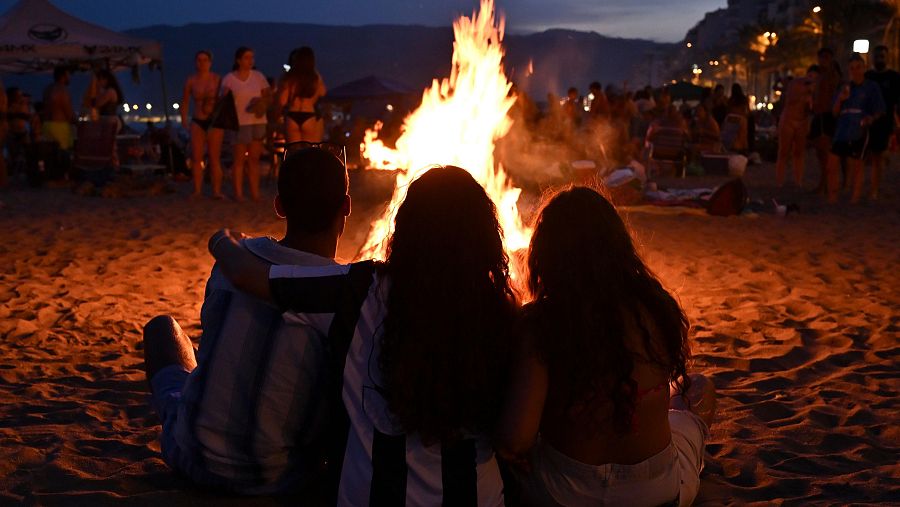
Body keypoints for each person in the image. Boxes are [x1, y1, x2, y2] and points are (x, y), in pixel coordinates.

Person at [208, 166, 516, 505]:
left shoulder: (358, 290)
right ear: (484, 235)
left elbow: (245, 275)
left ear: (406, 228)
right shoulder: (504, 314)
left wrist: (221, 238)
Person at [143, 147, 351, 495]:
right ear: (345, 206)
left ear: (279, 206)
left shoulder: (234, 264)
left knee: (161, 329)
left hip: (190, 453)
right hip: (278, 477)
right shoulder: (343, 290)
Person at [496, 186, 715, 507]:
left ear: (547, 253)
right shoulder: (656, 307)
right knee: (699, 387)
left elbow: (516, 439)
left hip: (563, 496)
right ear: (618, 246)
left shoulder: (541, 324)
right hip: (657, 495)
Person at [827, 53, 885, 204]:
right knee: (832, 162)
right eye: (852, 68)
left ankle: (855, 197)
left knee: (857, 163)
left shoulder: (871, 87)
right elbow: (834, 112)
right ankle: (833, 196)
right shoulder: (844, 87)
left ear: (864, 68)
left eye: (858, 67)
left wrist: (870, 118)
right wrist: (841, 99)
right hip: (842, 128)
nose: (855, 71)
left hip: (859, 128)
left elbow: (879, 109)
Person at [220, 47, 271, 201]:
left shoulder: (258, 76)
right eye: (247, 57)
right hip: (240, 122)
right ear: (238, 60)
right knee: (239, 159)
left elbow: (268, 95)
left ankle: (255, 193)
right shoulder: (229, 78)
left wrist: (261, 101)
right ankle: (239, 193)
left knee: (254, 159)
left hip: (257, 120)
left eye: (252, 58)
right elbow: (223, 99)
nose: (251, 61)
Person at [181, 50, 224, 198]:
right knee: (196, 157)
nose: (202, 63)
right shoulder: (191, 80)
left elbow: (222, 101)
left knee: (214, 157)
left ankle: (216, 191)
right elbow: (185, 100)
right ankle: (197, 190)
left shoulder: (217, 79)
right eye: (199, 60)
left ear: (210, 62)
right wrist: (183, 119)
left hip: (213, 121)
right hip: (197, 120)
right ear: (195, 62)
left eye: (205, 60)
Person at [865, 45, 900, 200]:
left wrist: (896, 121)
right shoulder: (868, 76)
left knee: (878, 156)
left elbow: (898, 102)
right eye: (877, 56)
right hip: (869, 120)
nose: (880, 59)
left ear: (887, 57)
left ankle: (875, 189)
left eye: (882, 56)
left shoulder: (894, 77)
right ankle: (872, 186)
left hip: (885, 121)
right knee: (870, 156)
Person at [776, 66, 818, 187]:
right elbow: (791, 99)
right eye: (810, 76)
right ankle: (780, 180)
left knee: (799, 152)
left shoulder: (815, 89)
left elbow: (813, 108)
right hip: (788, 120)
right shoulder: (796, 83)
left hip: (802, 121)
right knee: (783, 151)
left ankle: (798, 180)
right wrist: (805, 93)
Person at [278, 47, 327, 144]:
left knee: (295, 152)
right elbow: (323, 92)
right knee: (309, 152)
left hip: (292, 115)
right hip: (309, 114)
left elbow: (282, 101)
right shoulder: (314, 77)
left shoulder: (290, 77)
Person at [811, 48, 842, 192]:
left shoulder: (832, 75)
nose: (822, 60)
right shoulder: (820, 75)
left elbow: (833, 93)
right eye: (821, 57)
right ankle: (824, 182)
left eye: (826, 57)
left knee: (826, 151)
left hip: (826, 115)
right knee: (819, 151)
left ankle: (826, 183)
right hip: (819, 115)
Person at [42, 66, 75, 151]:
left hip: (46, 126)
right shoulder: (63, 90)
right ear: (63, 76)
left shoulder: (47, 89)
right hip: (59, 127)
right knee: (62, 157)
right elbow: (69, 113)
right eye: (68, 75)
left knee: (50, 157)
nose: (69, 77)